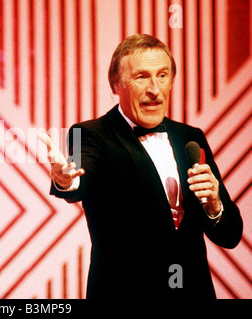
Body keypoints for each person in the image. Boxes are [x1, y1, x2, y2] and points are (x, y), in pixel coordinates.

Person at [39, 34, 243, 299]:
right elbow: (79, 176)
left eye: (162, 75)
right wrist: (67, 180)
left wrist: (214, 206)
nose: (155, 90)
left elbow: (231, 235)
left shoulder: (191, 138)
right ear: (116, 84)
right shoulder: (87, 133)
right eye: (141, 77)